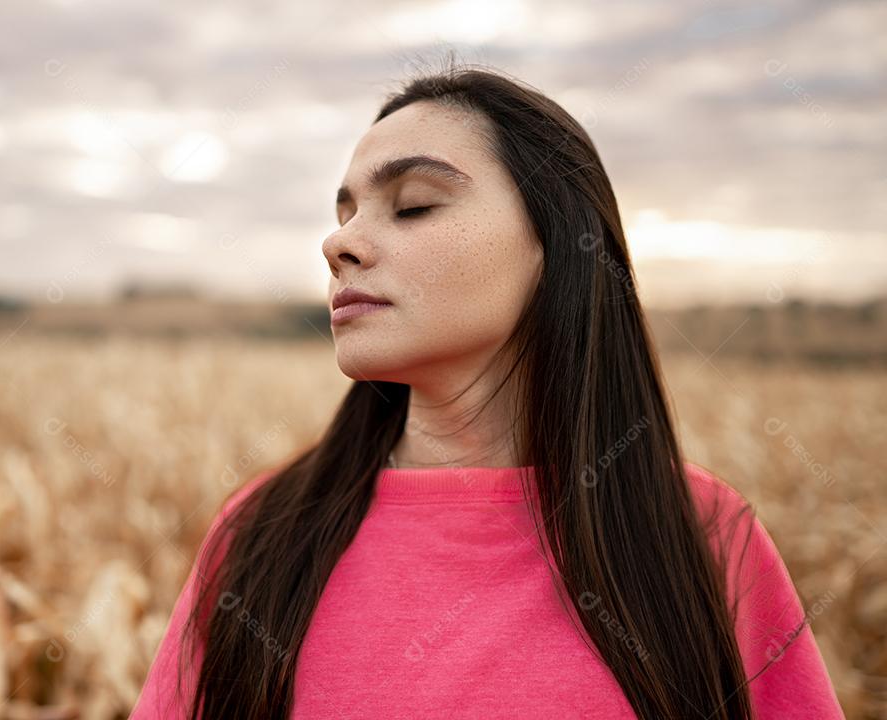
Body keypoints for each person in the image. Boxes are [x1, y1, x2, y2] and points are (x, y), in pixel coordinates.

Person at [130, 62, 844, 719]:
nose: (337, 243)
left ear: (558, 245)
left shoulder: (705, 535)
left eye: (411, 206)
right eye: (346, 213)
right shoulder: (262, 531)